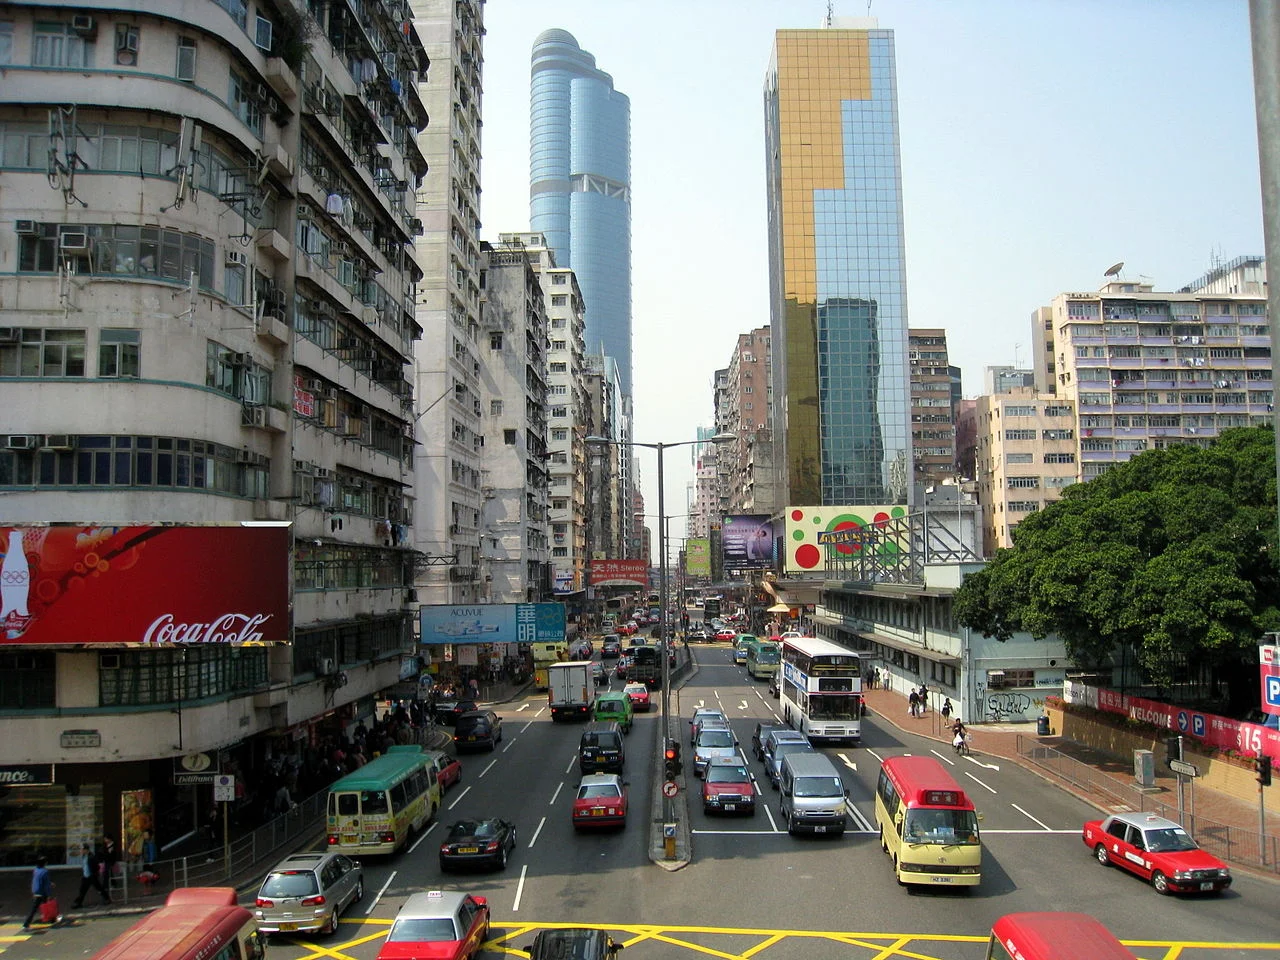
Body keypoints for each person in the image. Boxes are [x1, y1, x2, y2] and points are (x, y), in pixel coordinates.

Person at [71, 842, 110, 907]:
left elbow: (97, 866)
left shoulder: (91, 857)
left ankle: (107, 899)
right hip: (86, 876)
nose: (81, 851)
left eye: (82, 849)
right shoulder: (84, 856)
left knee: (99, 888)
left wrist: (94, 873)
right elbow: (84, 866)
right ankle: (78, 903)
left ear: (86, 850)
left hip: (92, 876)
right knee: (82, 890)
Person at [23, 856, 53, 929]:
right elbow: (46, 884)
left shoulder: (36, 870)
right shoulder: (45, 871)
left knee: (39, 906)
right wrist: (49, 893)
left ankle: (48, 918)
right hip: (42, 892)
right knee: (42, 906)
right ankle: (27, 923)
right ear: (45, 863)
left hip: (36, 890)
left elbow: (38, 880)